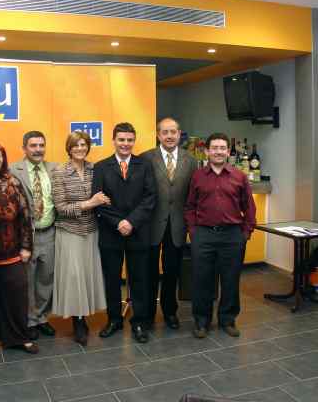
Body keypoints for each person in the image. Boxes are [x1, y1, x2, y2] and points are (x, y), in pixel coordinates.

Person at [184, 132, 256, 339]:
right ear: (207, 151)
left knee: (230, 280)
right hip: (203, 235)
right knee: (201, 280)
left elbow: (249, 207)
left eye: (222, 148)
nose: (218, 151)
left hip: (232, 236)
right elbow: (190, 206)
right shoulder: (197, 176)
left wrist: (245, 233)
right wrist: (194, 231)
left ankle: (228, 319)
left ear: (227, 151)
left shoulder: (239, 176)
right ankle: (201, 321)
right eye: (214, 148)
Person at [92, 122, 156, 343]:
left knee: (139, 279)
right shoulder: (101, 167)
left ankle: (139, 322)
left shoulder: (145, 165)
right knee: (111, 279)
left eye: (129, 140)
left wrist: (131, 221)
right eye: (121, 139)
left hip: (138, 232)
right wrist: (119, 222)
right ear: (114, 141)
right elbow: (98, 200)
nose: (125, 144)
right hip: (111, 233)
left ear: (134, 141)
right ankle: (114, 320)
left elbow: (150, 198)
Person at [0, 142, 39, 354]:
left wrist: (26, 247)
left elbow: (25, 216)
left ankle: (18, 337)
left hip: (12, 253)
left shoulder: (12, 182)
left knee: (16, 298)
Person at [51, 131, 109, 345]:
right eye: (75, 145)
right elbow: (60, 207)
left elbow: (104, 196)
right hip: (70, 231)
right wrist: (89, 203)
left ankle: (85, 315)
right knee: (74, 278)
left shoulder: (96, 169)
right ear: (69, 148)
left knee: (87, 275)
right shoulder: (59, 172)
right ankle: (78, 322)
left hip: (92, 230)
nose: (80, 149)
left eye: (83, 145)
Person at [141, 117, 196, 330]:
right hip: (151, 224)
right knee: (149, 272)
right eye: (165, 132)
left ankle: (170, 312)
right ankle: (147, 314)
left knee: (172, 271)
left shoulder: (190, 160)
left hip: (177, 225)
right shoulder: (146, 158)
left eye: (173, 132)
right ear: (158, 135)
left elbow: (192, 194)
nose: (169, 136)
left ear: (179, 134)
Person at [10, 131, 58, 340]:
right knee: (27, 281)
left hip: (50, 233)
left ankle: (42, 318)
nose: (38, 149)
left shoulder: (55, 169)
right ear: (24, 148)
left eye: (41, 145)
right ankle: (29, 321)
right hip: (26, 237)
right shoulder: (13, 170)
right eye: (33, 145)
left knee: (46, 279)